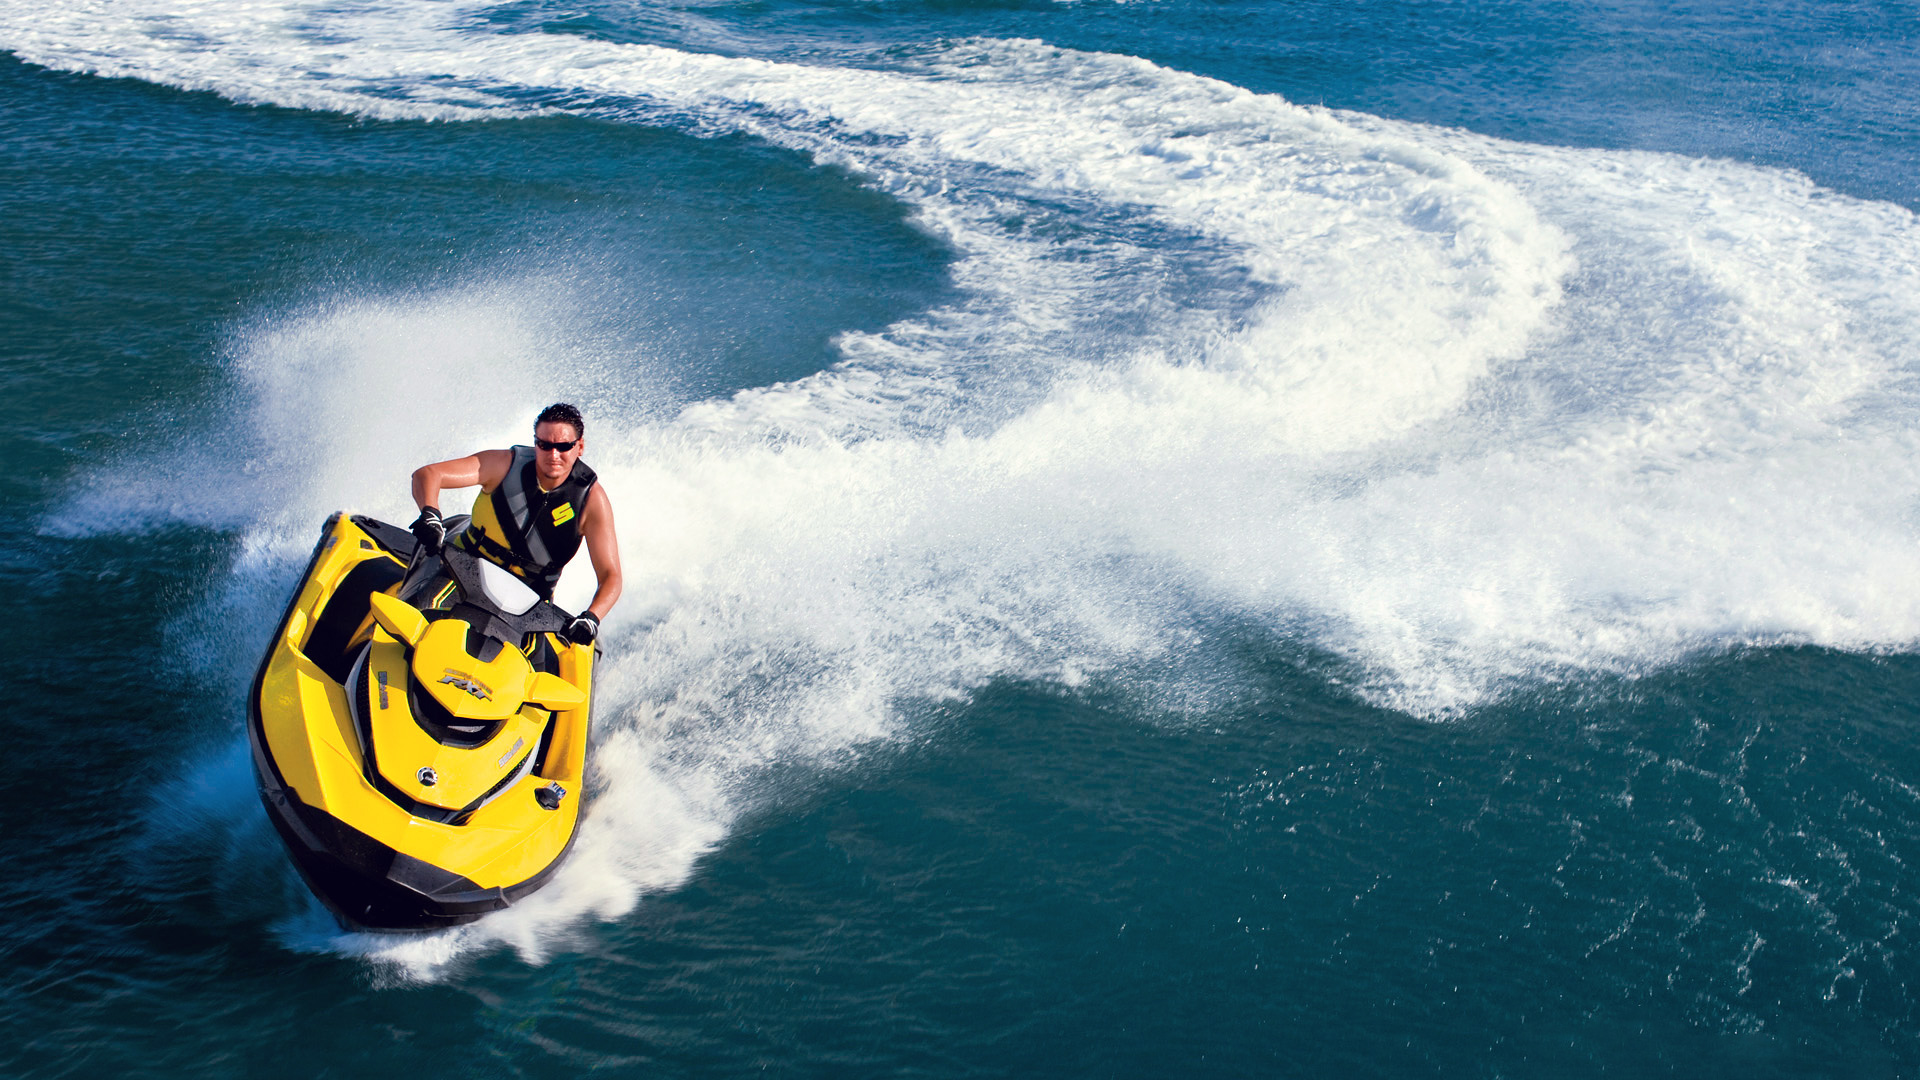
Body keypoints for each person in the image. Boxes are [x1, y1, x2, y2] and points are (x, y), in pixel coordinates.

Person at [407, 403, 621, 646]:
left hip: (529, 598)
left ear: (580, 446)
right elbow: (428, 474)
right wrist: (430, 514)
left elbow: (611, 576)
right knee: (417, 620)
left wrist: (592, 617)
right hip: (463, 567)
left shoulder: (591, 501)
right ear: (535, 442)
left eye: (563, 447)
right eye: (544, 445)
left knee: (532, 669)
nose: (553, 455)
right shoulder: (504, 464)